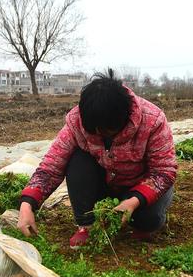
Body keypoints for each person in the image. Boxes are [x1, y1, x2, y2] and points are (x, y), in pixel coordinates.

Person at [17, 69, 177, 249]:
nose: (100, 135)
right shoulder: (76, 122)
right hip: (106, 183)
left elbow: (164, 172)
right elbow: (51, 166)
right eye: (94, 130)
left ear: (124, 118)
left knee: (149, 219)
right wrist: (27, 204)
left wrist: (133, 201)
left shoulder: (152, 121)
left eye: (107, 131)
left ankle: (141, 221)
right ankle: (87, 225)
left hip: (139, 186)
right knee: (77, 160)